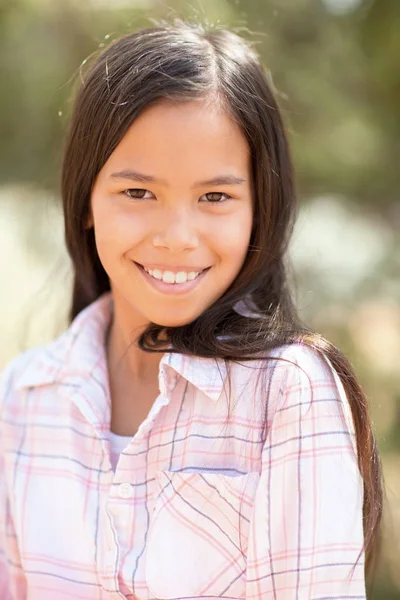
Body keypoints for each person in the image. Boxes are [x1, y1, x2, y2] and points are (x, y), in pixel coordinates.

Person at [0, 19, 382, 600]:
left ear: (261, 209)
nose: (177, 236)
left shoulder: (287, 392)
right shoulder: (24, 400)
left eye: (215, 197)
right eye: (138, 193)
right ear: (85, 202)